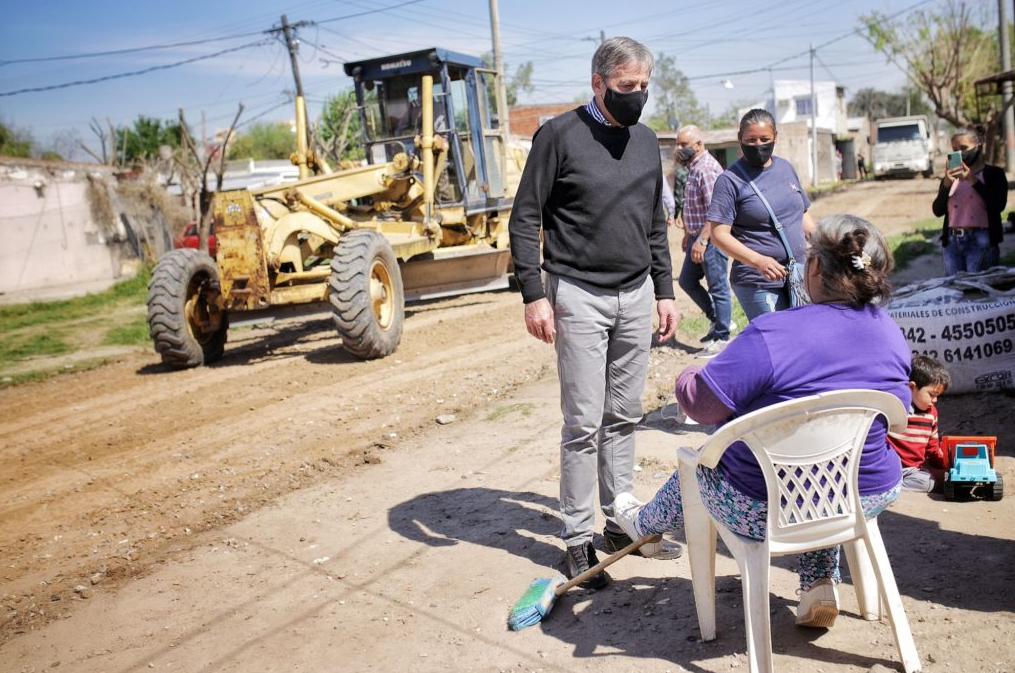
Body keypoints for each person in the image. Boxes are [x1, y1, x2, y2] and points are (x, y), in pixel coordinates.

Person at [612, 213, 910, 627]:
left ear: (816, 267)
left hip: (762, 506)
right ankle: (819, 578)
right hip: (866, 492)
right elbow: (897, 419)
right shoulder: (890, 331)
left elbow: (701, 406)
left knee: (704, 463)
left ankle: (644, 524)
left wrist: (687, 376)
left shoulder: (773, 333)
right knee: (818, 463)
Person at [508, 36, 679, 590]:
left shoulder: (647, 141)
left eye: (644, 87)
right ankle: (578, 536)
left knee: (625, 414)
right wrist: (534, 293)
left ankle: (619, 518)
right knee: (583, 421)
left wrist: (665, 290)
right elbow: (525, 218)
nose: (638, 96)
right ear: (598, 82)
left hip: (634, 296)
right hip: (577, 294)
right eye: (627, 87)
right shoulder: (558, 136)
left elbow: (654, 223)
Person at [707, 109, 817, 321]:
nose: (758, 145)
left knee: (801, 339)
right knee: (778, 342)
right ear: (740, 139)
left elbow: (802, 215)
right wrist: (758, 261)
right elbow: (719, 235)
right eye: (751, 139)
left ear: (775, 136)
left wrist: (828, 242)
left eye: (765, 139)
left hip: (798, 276)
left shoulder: (785, 168)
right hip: (758, 281)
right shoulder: (729, 181)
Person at [673, 125, 734, 358]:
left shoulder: (707, 169)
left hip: (711, 239)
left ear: (699, 145)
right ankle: (718, 320)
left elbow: (716, 211)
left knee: (718, 287)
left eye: (683, 145)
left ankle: (723, 337)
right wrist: (689, 235)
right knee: (687, 281)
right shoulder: (694, 167)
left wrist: (702, 240)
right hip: (697, 237)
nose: (679, 149)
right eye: (678, 144)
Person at [932, 125, 1008, 274]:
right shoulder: (951, 179)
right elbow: (938, 211)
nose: (959, 153)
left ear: (978, 146)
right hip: (952, 243)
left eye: (964, 147)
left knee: (977, 289)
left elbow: (998, 205)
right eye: (954, 149)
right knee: (955, 290)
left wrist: (972, 180)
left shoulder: (994, 174)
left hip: (981, 242)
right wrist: (946, 184)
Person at [888, 355, 951, 493]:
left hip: (911, 471)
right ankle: (887, 488)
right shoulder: (894, 408)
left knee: (928, 482)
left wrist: (945, 466)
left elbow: (933, 448)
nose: (934, 400)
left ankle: (893, 490)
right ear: (911, 387)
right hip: (888, 468)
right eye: (932, 395)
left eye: (938, 396)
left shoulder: (931, 414)